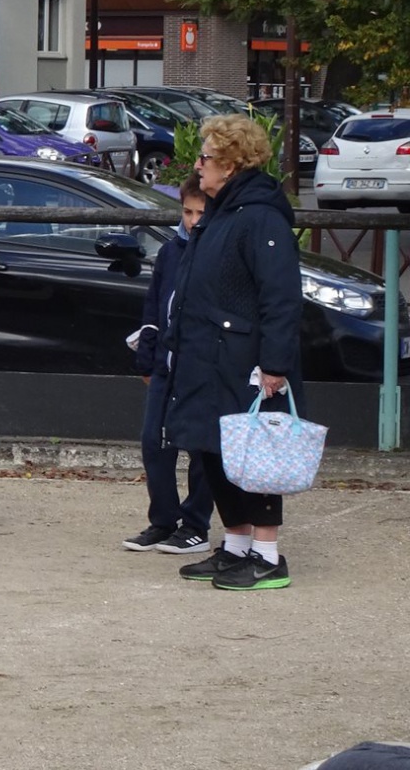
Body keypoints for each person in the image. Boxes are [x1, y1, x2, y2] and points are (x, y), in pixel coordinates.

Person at [161, 113, 304, 590]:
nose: (198, 166)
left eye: (204, 157)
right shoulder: (222, 210)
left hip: (245, 358)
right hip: (207, 351)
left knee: (255, 450)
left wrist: (276, 364)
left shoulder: (261, 214)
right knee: (214, 450)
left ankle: (267, 556)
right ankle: (237, 545)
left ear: (229, 161)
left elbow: (280, 293)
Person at [122, 173, 214, 554]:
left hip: (203, 365)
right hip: (165, 363)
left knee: (200, 448)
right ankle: (163, 520)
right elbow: (155, 304)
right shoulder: (171, 251)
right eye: (187, 212)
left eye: (200, 212)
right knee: (153, 442)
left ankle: (196, 524)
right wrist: (148, 355)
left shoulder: (216, 248)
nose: (192, 220)